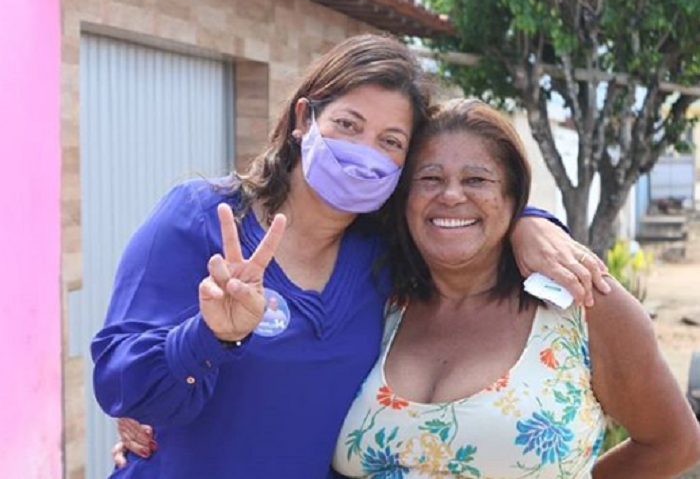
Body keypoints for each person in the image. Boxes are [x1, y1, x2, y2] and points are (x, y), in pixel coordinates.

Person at [94, 35, 608, 479]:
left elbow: (465, 211)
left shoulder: (383, 255)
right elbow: (120, 384)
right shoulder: (203, 217)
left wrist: (529, 223)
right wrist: (207, 339)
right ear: (304, 118)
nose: (365, 152)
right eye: (347, 124)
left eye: (390, 141)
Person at [331, 99, 700, 478]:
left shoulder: (581, 302)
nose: (451, 195)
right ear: (404, 198)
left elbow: (675, 442)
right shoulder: (378, 299)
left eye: (476, 180)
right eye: (430, 179)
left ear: (512, 198)